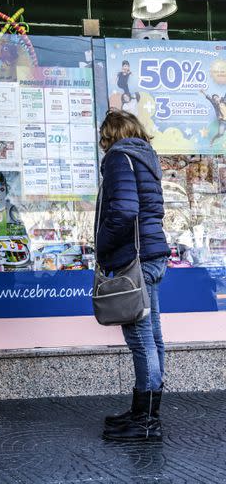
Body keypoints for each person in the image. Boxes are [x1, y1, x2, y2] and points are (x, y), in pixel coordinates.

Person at [95, 109, 171, 441]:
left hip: (134, 259)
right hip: (153, 255)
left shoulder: (118, 157)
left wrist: (103, 246)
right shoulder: (146, 158)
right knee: (152, 338)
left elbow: (125, 210)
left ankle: (146, 422)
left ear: (110, 134)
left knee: (141, 340)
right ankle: (144, 412)